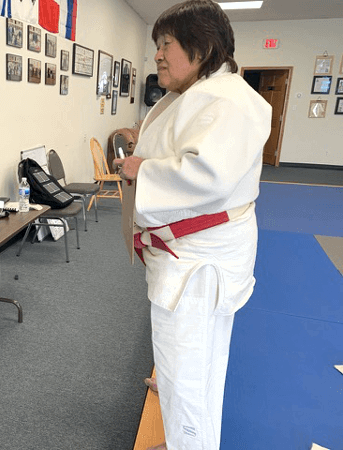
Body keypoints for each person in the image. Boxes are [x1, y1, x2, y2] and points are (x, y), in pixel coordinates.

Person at [113, 2, 271, 449]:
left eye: (166, 44)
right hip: (192, 257)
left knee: (188, 375)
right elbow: (180, 146)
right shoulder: (194, 94)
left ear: (200, 49)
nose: (158, 55)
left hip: (198, 266)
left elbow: (207, 175)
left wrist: (140, 169)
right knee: (194, 368)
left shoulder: (227, 101)